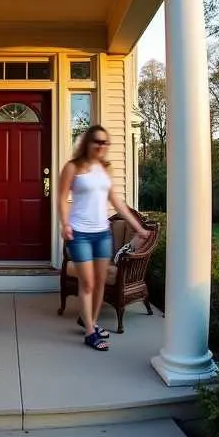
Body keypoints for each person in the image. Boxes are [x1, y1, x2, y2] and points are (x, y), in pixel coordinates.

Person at [57, 125, 149, 352]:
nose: (101, 146)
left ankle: (89, 320)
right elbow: (60, 199)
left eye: (105, 143)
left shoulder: (105, 169)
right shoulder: (73, 167)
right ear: (87, 143)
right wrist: (65, 224)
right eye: (97, 141)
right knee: (87, 282)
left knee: (99, 283)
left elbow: (117, 202)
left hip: (102, 234)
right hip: (79, 233)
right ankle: (90, 332)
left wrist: (138, 227)